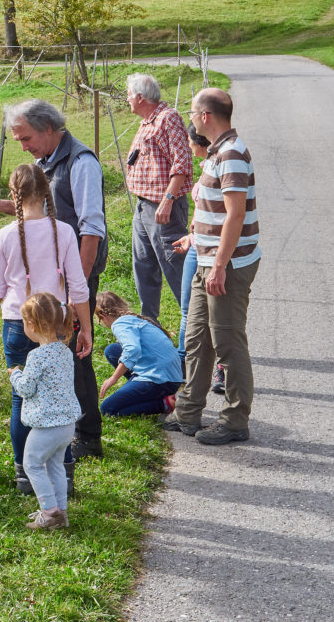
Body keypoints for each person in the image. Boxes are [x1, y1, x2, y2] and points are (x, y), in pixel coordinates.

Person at [0, 99, 106, 460]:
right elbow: (40, 210)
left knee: (76, 361)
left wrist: (77, 294)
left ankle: (86, 436)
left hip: (74, 276)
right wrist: (6, 206)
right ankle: (55, 446)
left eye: (26, 137)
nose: (23, 146)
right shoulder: (45, 162)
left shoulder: (81, 163)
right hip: (59, 282)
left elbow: (91, 230)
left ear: (49, 128)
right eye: (18, 140)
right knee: (57, 363)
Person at [0, 163, 92, 496]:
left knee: (20, 398)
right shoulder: (64, 232)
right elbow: (78, 287)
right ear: (46, 193)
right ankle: (63, 473)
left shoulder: (4, 236)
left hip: (16, 323)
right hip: (57, 324)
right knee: (61, 394)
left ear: (13, 195)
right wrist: (87, 328)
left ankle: (25, 474)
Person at [164, 87, 261, 445]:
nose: (190, 118)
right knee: (197, 338)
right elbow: (217, 210)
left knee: (228, 342)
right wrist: (196, 239)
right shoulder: (217, 152)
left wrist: (219, 264)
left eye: (192, 113)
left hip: (228, 265)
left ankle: (236, 421)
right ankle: (188, 412)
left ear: (205, 116)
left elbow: (236, 215)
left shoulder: (232, 153)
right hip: (207, 259)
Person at [8, 292, 81, 530]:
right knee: (55, 465)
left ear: (32, 325)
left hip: (47, 425)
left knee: (32, 464)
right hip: (66, 424)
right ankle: (61, 512)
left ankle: (49, 511)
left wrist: (15, 374)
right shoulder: (64, 351)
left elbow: (26, 389)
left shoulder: (37, 356)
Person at [124, 73, 193, 321]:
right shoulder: (148, 121)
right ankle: (150, 329)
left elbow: (182, 162)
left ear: (141, 97)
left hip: (163, 209)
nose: (127, 99)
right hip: (144, 207)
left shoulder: (168, 118)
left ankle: (197, 330)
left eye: (129, 94)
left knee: (177, 270)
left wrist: (167, 200)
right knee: (144, 269)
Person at [174, 123, 226, 393]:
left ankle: (222, 369)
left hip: (214, 250)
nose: (187, 146)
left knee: (218, 315)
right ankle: (181, 369)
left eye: (190, 141)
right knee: (188, 311)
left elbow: (226, 216)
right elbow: (203, 211)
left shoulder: (219, 165)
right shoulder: (206, 164)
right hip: (196, 244)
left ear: (201, 142)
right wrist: (190, 236)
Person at [95, 291, 183, 416]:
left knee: (108, 409)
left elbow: (132, 350)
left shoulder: (119, 324)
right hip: (171, 375)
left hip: (160, 380)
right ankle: (136, 388)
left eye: (100, 321)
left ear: (102, 316)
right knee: (112, 350)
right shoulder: (132, 318)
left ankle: (165, 403)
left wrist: (113, 378)